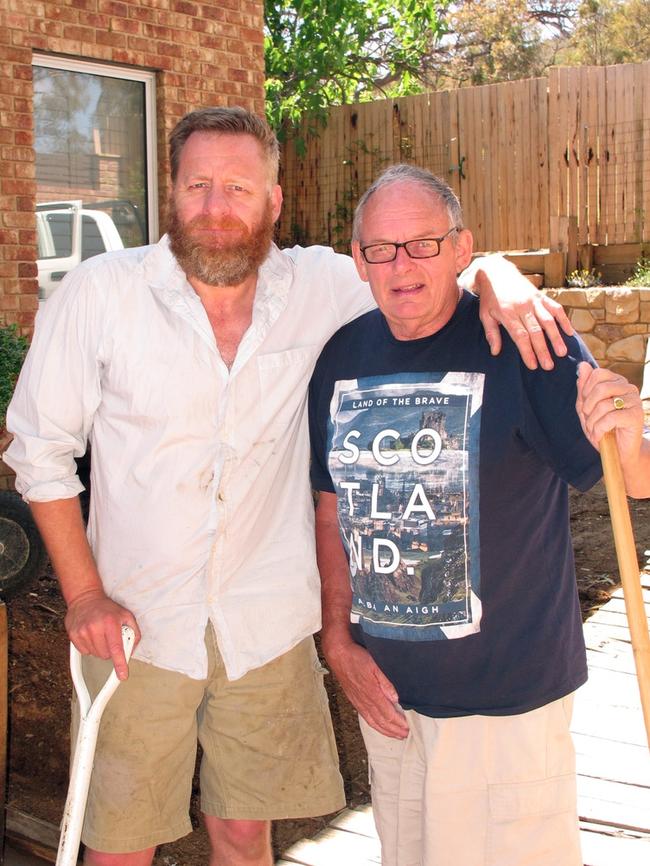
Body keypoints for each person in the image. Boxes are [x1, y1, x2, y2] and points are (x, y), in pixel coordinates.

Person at [5, 108, 574, 866]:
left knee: (247, 836)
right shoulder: (101, 295)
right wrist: (83, 596)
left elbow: (415, 268)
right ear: (170, 193)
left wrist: (491, 273)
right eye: (198, 184)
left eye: (238, 186)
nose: (215, 206)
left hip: (265, 627)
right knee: (120, 845)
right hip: (134, 625)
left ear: (274, 201)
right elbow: (41, 452)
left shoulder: (324, 285)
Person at [309, 163, 650, 866]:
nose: (401, 265)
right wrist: (337, 639)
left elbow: (632, 479)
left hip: (504, 709)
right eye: (381, 248)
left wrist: (628, 426)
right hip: (393, 702)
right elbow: (331, 506)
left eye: (423, 244)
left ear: (462, 250)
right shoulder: (341, 358)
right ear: (358, 262)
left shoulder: (528, 345)